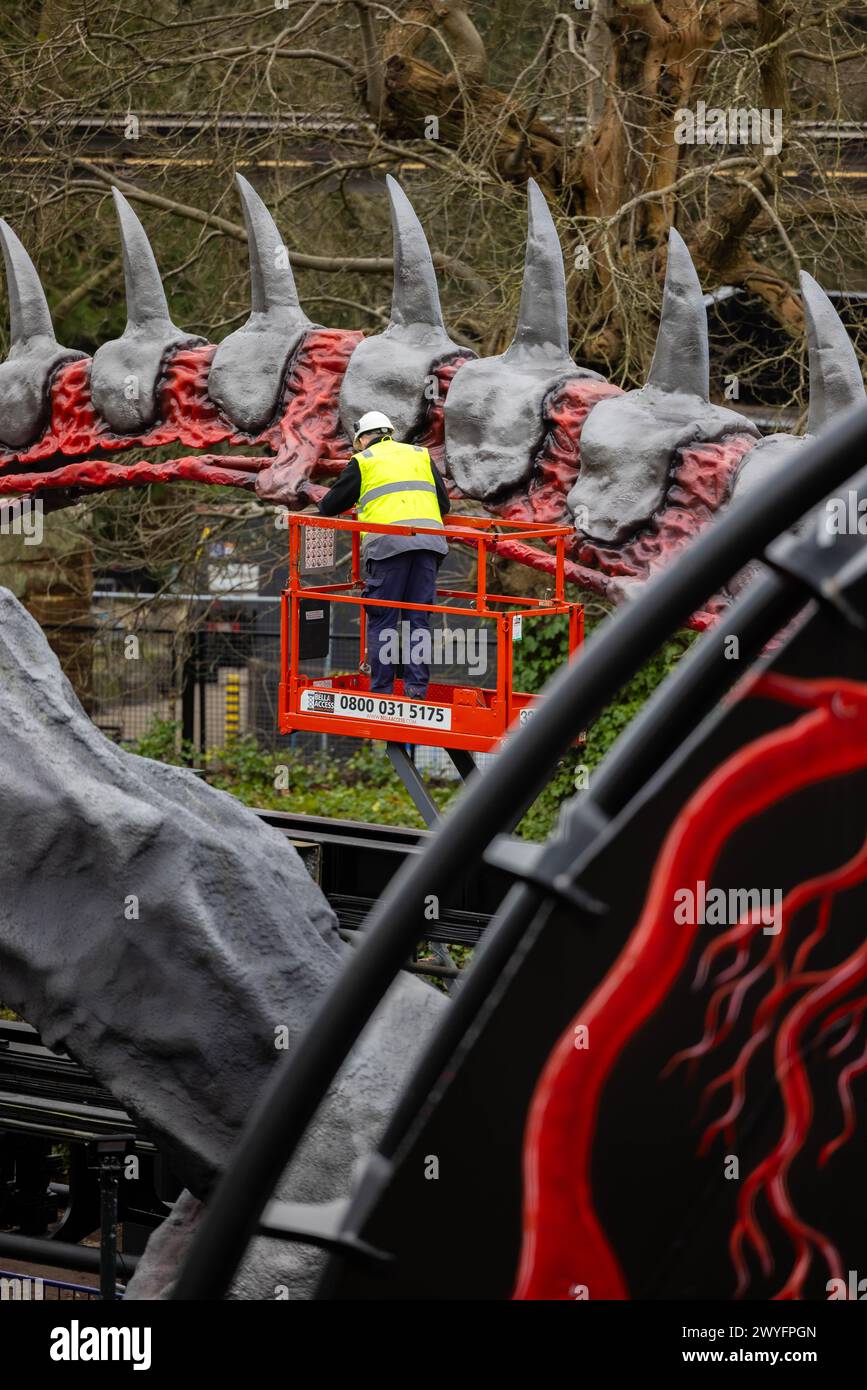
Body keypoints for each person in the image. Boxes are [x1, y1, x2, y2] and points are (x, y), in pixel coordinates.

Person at [318, 411, 450, 699]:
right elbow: (444, 505)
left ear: (363, 438)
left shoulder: (364, 461)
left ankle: (382, 693)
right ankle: (416, 690)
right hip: (429, 545)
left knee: (383, 620)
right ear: (389, 431)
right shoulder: (419, 455)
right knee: (418, 620)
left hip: (388, 549)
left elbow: (329, 506)